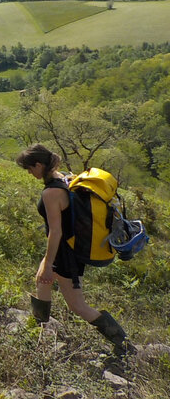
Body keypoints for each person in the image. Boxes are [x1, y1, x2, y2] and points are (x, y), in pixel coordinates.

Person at [16, 144, 134, 356]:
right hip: (67, 249)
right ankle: (38, 333)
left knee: (77, 306)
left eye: (29, 168)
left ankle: (124, 345)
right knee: (41, 281)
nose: (29, 173)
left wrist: (50, 264)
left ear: (39, 165)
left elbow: (56, 232)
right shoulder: (65, 178)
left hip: (65, 253)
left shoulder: (51, 192)